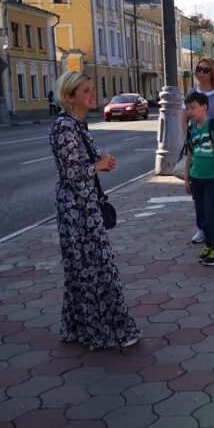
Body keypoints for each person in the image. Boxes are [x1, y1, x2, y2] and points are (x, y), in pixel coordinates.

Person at [50, 71, 139, 350]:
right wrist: (98, 166)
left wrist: (102, 162)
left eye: (92, 89)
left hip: (86, 206)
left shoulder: (77, 124)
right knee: (96, 271)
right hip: (77, 211)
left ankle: (78, 328)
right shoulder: (64, 127)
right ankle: (105, 332)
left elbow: (83, 166)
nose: (93, 94)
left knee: (84, 270)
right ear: (69, 97)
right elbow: (72, 172)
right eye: (86, 90)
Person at [186, 58, 214, 244]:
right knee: (199, 199)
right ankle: (202, 229)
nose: (201, 72)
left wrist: (207, 128)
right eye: (199, 69)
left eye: (205, 69)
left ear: (213, 72)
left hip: (213, 143)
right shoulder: (191, 93)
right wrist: (190, 134)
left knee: (213, 201)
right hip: (197, 146)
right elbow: (184, 119)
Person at [184, 91, 214, 266]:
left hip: (213, 179)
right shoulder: (191, 129)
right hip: (197, 179)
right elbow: (189, 154)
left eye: (193, 107)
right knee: (202, 215)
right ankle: (209, 245)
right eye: (188, 108)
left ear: (204, 107)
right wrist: (186, 178)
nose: (190, 111)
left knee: (213, 215)